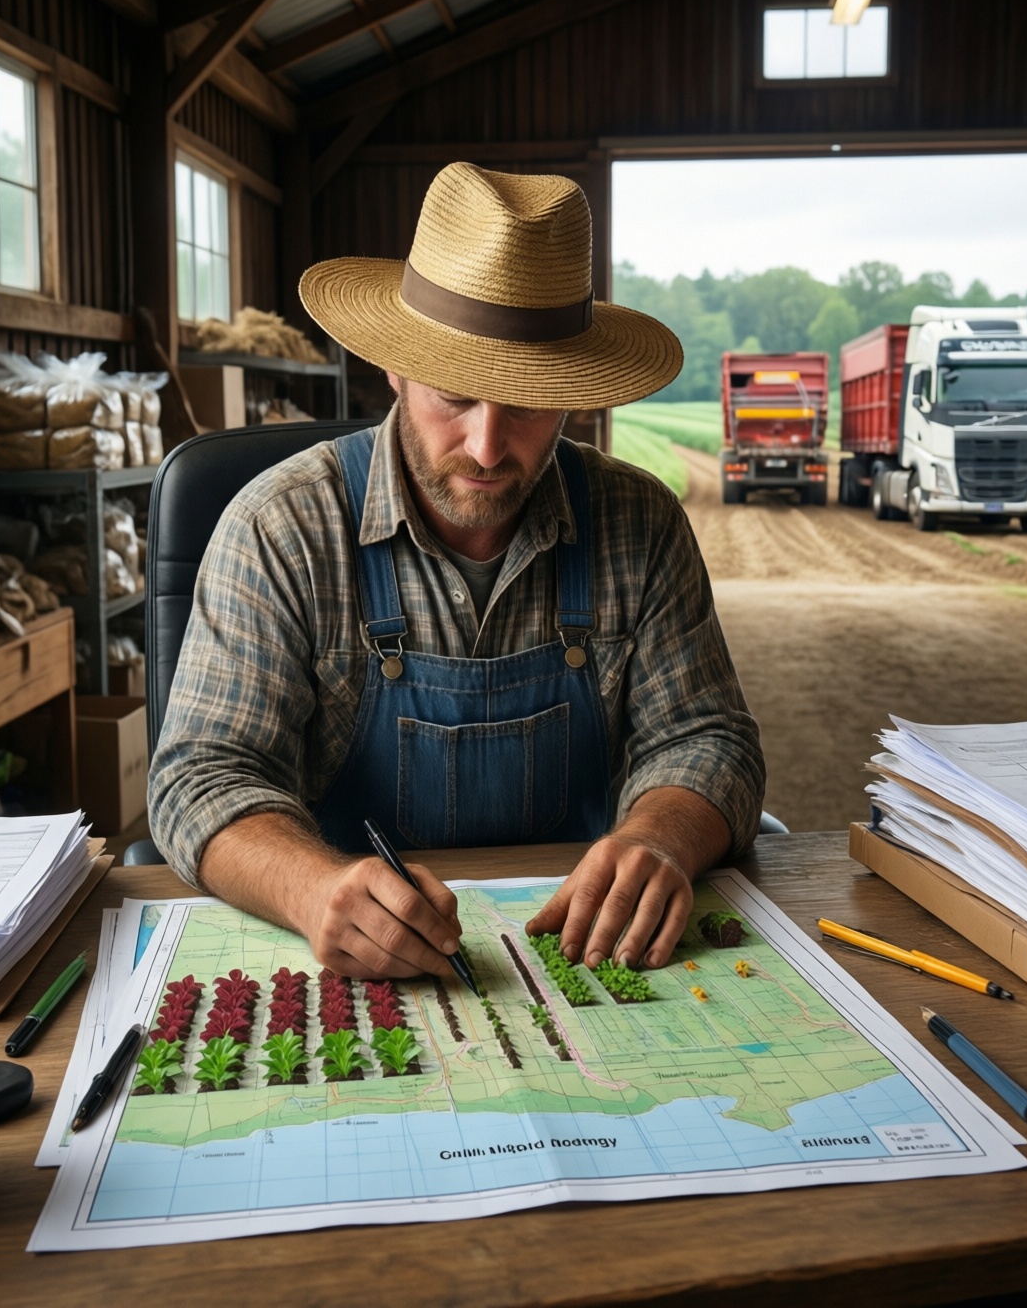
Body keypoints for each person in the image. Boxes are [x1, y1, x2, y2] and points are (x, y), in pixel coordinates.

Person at [147, 162, 765, 983]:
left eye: (529, 404)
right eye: (455, 397)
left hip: (580, 957)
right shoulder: (282, 528)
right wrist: (311, 886)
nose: (484, 447)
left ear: (577, 396)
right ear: (395, 368)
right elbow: (199, 773)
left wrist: (662, 837)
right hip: (356, 967)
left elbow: (709, 738)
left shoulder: (638, 525)